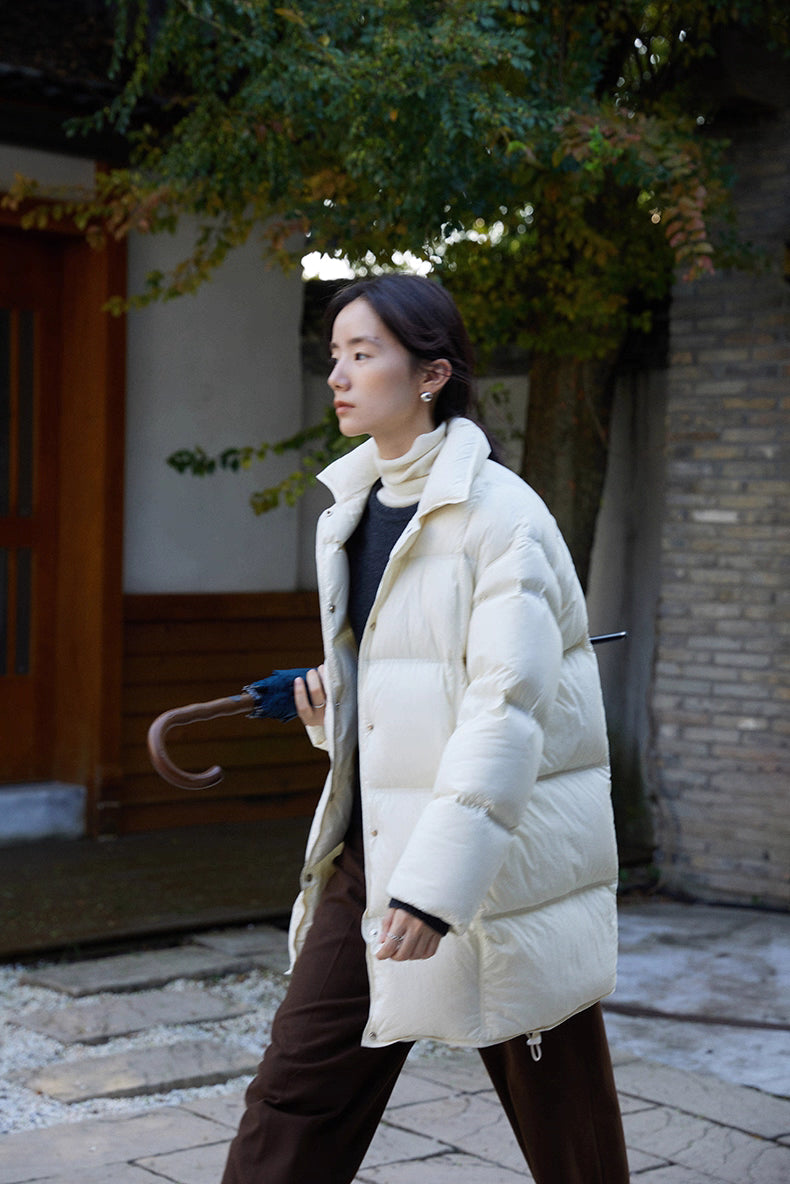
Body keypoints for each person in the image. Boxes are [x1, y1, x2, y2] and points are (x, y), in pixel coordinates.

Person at [221, 274, 629, 1184]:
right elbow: (408, 681)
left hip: (505, 869)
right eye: (335, 354)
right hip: (373, 852)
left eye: (363, 354)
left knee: (567, 1129)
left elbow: (503, 713)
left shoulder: (504, 520)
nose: (338, 375)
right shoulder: (353, 509)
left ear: (432, 374)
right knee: (295, 1094)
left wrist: (437, 889)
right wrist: (330, 707)